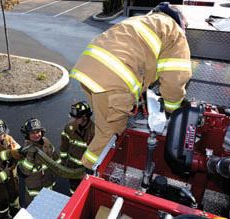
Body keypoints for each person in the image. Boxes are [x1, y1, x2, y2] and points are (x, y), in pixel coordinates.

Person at [70, 2, 192, 169]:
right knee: (110, 133)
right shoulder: (175, 32)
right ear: (180, 22)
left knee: (103, 125)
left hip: (88, 71)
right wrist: (173, 109)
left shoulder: (141, 21)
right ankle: (89, 171)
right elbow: (175, 77)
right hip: (113, 81)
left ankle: (90, 163)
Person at [18, 118, 60, 207]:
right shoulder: (25, 150)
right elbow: (25, 171)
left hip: (49, 182)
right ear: (27, 134)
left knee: (49, 206)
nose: (37, 135)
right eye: (32, 133)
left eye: (38, 131)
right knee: (36, 209)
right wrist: (30, 156)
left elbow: (55, 157)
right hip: (35, 189)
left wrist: (61, 169)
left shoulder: (46, 142)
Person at [60, 101, 95, 195]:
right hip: (72, 167)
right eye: (73, 117)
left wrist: (87, 171)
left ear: (85, 117)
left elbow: (96, 154)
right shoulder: (69, 127)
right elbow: (64, 147)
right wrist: (63, 163)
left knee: (86, 191)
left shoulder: (94, 132)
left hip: (85, 169)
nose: (74, 119)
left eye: (76, 117)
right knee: (73, 189)